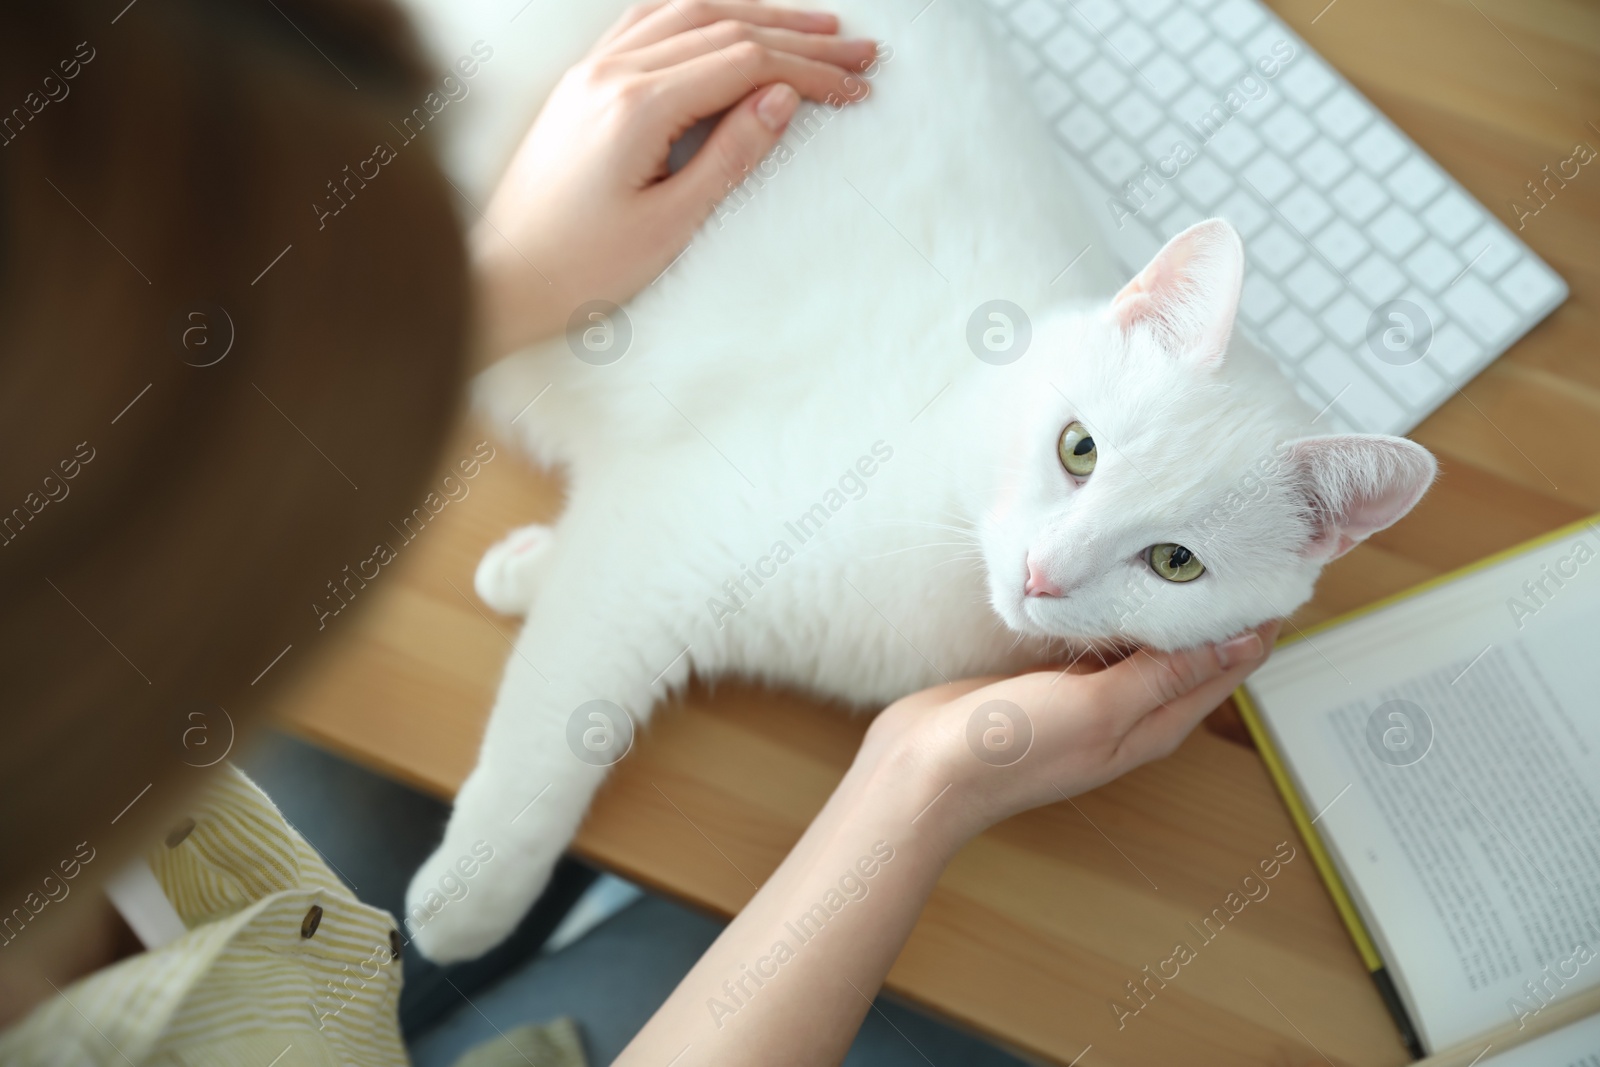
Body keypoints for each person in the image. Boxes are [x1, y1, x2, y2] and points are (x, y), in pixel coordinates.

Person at [0, 0, 1280, 1062]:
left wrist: (507, 282)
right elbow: (669, 532)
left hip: (217, 919)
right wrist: (916, 788)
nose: (1053, 569)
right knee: (969, 1013)